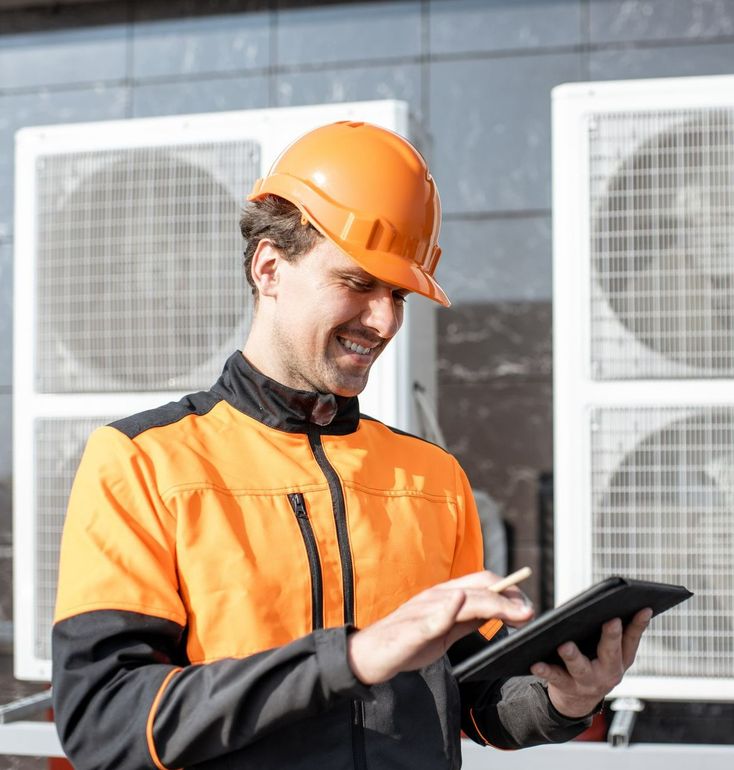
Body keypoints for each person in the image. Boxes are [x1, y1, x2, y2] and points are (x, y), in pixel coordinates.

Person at [52, 121, 652, 770]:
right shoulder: (142, 462)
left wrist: (562, 698)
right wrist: (354, 658)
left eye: (397, 294)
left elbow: (470, 695)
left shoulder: (432, 477)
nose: (385, 320)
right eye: (359, 283)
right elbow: (105, 720)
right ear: (270, 268)